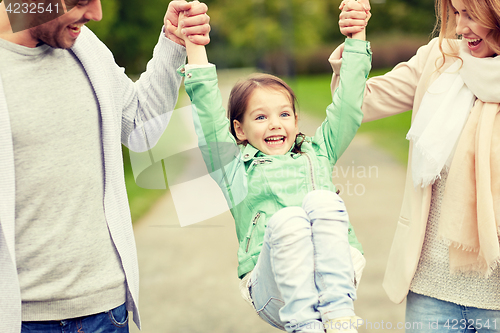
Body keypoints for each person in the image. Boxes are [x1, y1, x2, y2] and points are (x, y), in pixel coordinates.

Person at [0, 1, 210, 332]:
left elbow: (140, 126)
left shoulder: (84, 45)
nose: (96, 13)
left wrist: (173, 41)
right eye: (82, 1)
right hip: (20, 319)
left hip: (105, 312)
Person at [168, 3, 371, 332]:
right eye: (260, 117)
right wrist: (194, 44)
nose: (275, 125)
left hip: (333, 274)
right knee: (289, 219)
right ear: (240, 130)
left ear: (295, 119)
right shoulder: (234, 169)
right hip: (274, 288)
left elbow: (347, 105)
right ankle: (305, 325)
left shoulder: (318, 152)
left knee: (323, 201)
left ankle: (339, 315)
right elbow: (206, 108)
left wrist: (356, 37)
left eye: (284, 114)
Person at [337, 0, 500, 331]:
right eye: (455, 13)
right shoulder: (440, 58)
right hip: (431, 295)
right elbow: (357, 104)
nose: (460, 26)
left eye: (471, 14)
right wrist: (355, 41)